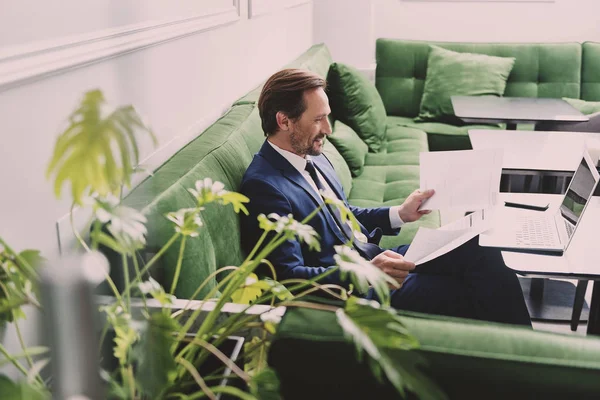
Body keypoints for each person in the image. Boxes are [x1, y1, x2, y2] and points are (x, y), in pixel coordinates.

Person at [240, 69, 531, 326]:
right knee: (474, 293)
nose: (328, 129)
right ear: (284, 121)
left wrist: (400, 213)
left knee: (481, 245)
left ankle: (528, 355)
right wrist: (366, 272)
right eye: (318, 119)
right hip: (360, 290)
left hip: (377, 259)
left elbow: (341, 213)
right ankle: (534, 364)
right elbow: (288, 275)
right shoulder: (265, 187)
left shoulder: (311, 155)